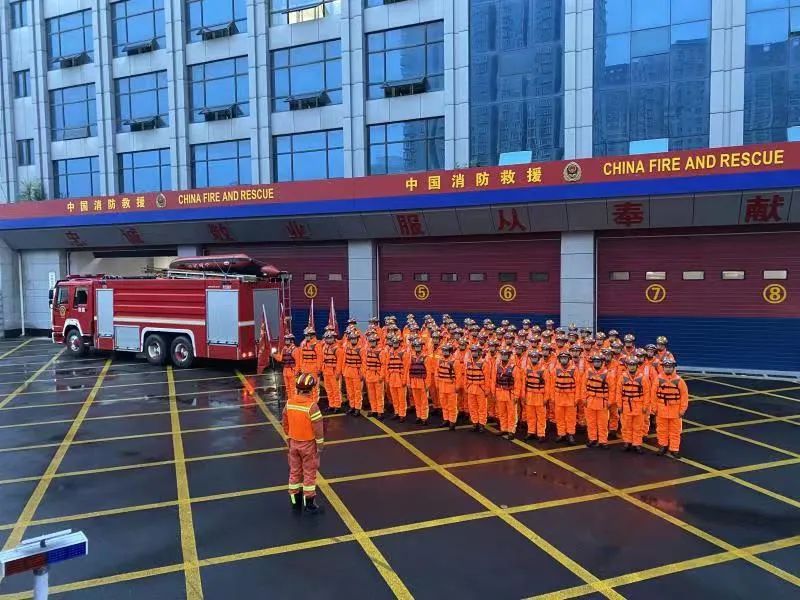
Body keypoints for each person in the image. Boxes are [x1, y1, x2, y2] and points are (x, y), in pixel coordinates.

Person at [282, 373, 324, 513]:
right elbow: (318, 430)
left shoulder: (289, 403)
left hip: (293, 443)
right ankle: (309, 503)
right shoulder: (312, 407)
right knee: (309, 473)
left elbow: (285, 423)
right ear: (311, 390)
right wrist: (320, 447)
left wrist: (289, 437)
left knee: (294, 471)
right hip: (308, 445)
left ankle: (295, 501)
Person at [654, 358, 688, 458]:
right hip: (661, 410)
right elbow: (653, 395)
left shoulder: (679, 381)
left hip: (675, 411)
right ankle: (663, 446)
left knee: (675, 431)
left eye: (670, 367)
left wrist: (682, 410)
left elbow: (684, 397)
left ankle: (674, 449)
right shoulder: (658, 379)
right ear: (663, 367)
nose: (668, 369)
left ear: (673, 368)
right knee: (661, 430)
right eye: (666, 367)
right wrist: (654, 408)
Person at [617, 356, 650, 453]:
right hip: (626, 406)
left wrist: (645, 406)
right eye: (630, 365)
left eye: (633, 365)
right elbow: (618, 393)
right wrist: (619, 405)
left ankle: (637, 444)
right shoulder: (622, 377)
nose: (631, 367)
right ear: (627, 366)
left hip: (639, 406)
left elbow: (647, 393)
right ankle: (627, 442)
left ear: (637, 366)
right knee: (626, 426)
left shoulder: (642, 378)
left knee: (638, 426)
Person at [584, 354, 615, 449]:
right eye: (595, 362)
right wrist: (584, 398)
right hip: (590, 400)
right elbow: (583, 386)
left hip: (602, 402)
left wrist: (610, 402)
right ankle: (592, 439)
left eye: (598, 362)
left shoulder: (608, 374)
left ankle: (603, 441)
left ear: (602, 362)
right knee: (591, 422)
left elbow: (612, 389)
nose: (596, 363)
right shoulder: (588, 372)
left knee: (603, 423)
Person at [522, 350, 550, 442]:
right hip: (529, 396)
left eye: (535, 357)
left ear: (539, 358)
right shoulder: (526, 369)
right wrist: (523, 396)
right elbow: (523, 384)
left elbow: (547, 385)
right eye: (532, 357)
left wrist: (546, 398)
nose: (534, 359)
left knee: (541, 416)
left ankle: (541, 434)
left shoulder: (544, 370)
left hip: (540, 396)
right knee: (530, 415)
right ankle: (531, 432)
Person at [465, 344, 493, 432]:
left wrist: (487, 389)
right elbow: (466, 376)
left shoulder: (484, 363)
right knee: (472, 407)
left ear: (480, 353)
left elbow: (487, 378)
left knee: (482, 408)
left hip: (481, 389)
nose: (474, 353)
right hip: (470, 388)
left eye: (475, 351)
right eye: (473, 351)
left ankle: (481, 424)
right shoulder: (468, 362)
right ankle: (475, 423)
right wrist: (466, 386)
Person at [553, 351, 579, 444]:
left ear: (569, 359)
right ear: (559, 359)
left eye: (565, 358)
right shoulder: (555, 370)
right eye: (562, 358)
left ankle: (570, 434)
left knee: (571, 418)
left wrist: (577, 399)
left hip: (570, 398)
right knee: (559, 417)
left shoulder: (574, 370)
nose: (563, 360)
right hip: (558, 397)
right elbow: (551, 385)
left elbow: (578, 385)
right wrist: (553, 398)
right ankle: (561, 434)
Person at [494, 348, 520, 440]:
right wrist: (494, 392)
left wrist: (516, 395)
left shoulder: (514, 368)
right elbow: (494, 380)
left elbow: (517, 383)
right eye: (502, 355)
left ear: (509, 356)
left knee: (512, 413)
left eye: (505, 355)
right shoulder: (497, 367)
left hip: (510, 394)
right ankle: (503, 428)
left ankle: (511, 431)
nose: (503, 357)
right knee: (502, 412)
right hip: (500, 393)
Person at [408, 338, 433, 425]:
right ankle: (418, 416)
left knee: (424, 401)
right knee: (416, 400)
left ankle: (424, 418)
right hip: (414, 381)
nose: (417, 348)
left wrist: (427, 384)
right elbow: (408, 370)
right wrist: (409, 382)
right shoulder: (411, 357)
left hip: (422, 382)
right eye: (416, 346)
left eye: (419, 346)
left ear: (422, 347)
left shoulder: (426, 358)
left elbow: (428, 372)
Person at [436, 344, 461, 430]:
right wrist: (437, 384)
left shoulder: (455, 361)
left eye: (446, 351)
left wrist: (457, 386)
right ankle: (446, 419)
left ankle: (452, 421)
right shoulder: (440, 360)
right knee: (444, 404)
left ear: (450, 352)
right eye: (443, 351)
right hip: (442, 385)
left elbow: (458, 375)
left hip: (451, 386)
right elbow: (436, 373)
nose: (444, 352)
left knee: (452, 405)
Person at [386, 336, 410, 421]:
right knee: (394, 397)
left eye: (396, 343)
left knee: (401, 398)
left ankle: (402, 414)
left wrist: (404, 380)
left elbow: (406, 368)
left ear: (399, 343)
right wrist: (387, 378)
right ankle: (396, 412)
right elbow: (387, 366)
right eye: (393, 343)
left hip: (400, 377)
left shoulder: (404, 353)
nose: (395, 344)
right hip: (392, 377)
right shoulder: (390, 353)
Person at [363, 334, 387, 419]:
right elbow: (364, 363)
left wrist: (381, 376)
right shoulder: (367, 351)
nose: (372, 343)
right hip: (369, 375)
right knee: (371, 395)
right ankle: (374, 410)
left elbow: (384, 365)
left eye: (373, 341)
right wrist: (365, 374)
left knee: (379, 395)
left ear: (376, 342)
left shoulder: (381, 352)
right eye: (370, 341)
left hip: (377, 376)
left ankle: (380, 411)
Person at [342, 332, 365, 416]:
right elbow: (344, 360)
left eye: (354, 339)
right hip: (348, 372)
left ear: (357, 339)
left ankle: (357, 408)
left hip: (357, 372)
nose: (353, 340)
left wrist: (362, 373)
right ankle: (352, 406)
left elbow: (364, 362)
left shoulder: (361, 349)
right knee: (350, 391)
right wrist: (343, 371)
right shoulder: (347, 348)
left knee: (357, 391)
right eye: (352, 339)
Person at [321, 332, 343, 413]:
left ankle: (337, 406)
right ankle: (331, 404)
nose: (328, 340)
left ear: (334, 338)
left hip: (334, 372)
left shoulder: (338, 349)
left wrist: (337, 373)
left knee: (336, 390)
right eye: (327, 338)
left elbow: (339, 363)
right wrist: (322, 370)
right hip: (326, 372)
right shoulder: (324, 347)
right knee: (328, 389)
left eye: (330, 338)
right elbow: (323, 359)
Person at [275, 333, 300, 401]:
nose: (286, 341)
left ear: (292, 340)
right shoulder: (284, 349)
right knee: (288, 388)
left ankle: (294, 401)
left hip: (292, 371)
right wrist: (274, 355)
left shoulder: (295, 350)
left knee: (293, 388)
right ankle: (290, 400)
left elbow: (298, 362)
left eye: (287, 340)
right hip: (285, 371)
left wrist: (297, 372)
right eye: (285, 340)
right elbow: (280, 359)